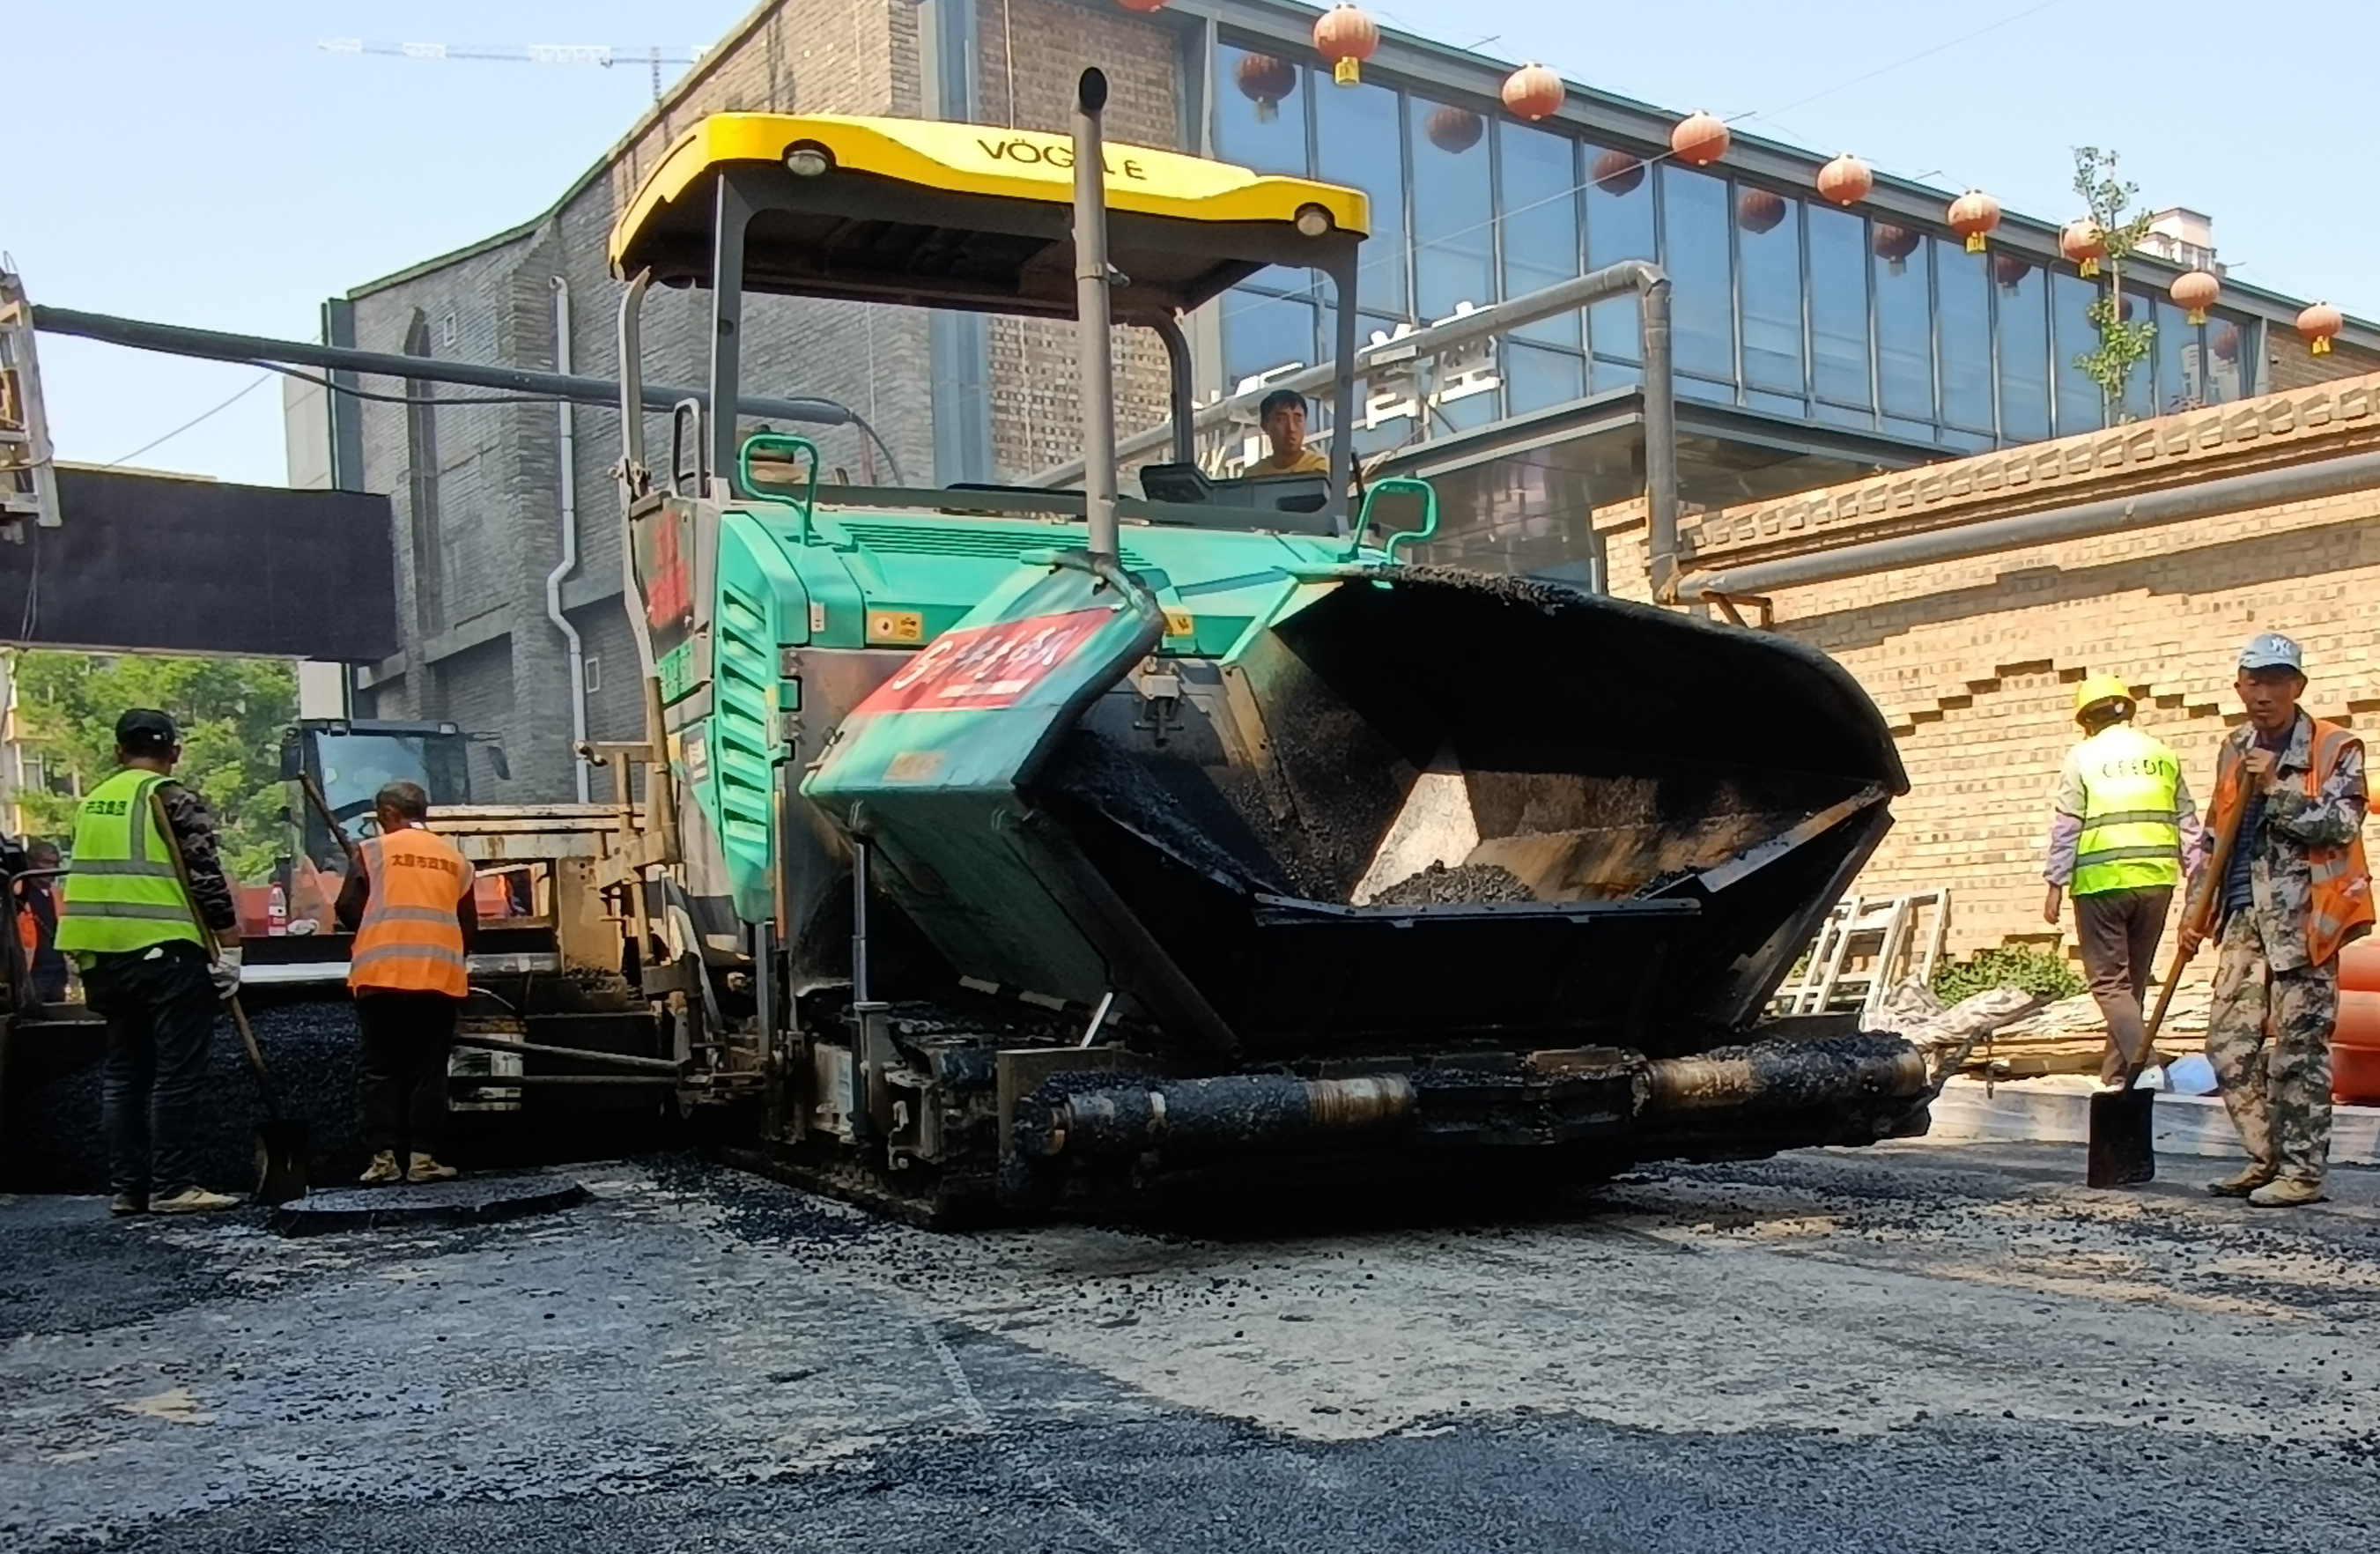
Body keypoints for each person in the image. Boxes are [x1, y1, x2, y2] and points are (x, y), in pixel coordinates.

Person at [2178, 633, 2373, 1207]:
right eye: (2255, 682)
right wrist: (2196, 909)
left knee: (2298, 1050)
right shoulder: (2233, 747)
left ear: (2298, 687)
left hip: (2307, 921)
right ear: (2240, 688)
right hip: (2242, 916)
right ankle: (2267, 1158)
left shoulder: (2335, 747)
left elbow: (2341, 825)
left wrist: (2276, 787)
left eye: (2277, 682)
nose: (2264, 694)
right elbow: (2214, 836)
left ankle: (2302, 1173)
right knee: (2228, 1045)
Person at [55, 709, 243, 1216]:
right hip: (165, 951)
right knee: (176, 1073)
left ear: (119, 750)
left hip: (100, 954)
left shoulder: (93, 802)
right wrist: (230, 948)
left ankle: (130, 1188)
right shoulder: (169, 797)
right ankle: (173, 1186)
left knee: (124, 1074)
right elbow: (205, 876)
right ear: (174, 752)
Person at [2041, 675, 2202, 1089]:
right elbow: (2189, 824)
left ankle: (2145, 1065)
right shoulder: (2162, 754)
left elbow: (2068, 825)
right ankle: (2117, 1075)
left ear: (2085, 720)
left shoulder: (2083, 756)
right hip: (2157, 882)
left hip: (2102, 883)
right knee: (2132, 984)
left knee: (2109, 983)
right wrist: (2198, 883)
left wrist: (2055, 883)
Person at [336, 780, 477, 1186]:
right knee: (428, 1069)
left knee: (380, 1067)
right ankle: (422, 1160)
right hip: (437, 979)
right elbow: (469, 927)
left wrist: (375, 929)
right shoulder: (456, 860)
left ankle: (383, 1160)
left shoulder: (373, 851)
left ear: (388, 814)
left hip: (381, 976)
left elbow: (347, 907)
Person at [18, 840, 70, 1002]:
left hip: (57, 969)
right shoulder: (17, 895)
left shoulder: (58, 895)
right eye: (46, 862)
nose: (52, 868)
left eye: (55, 863)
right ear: (30, 863)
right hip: (30, 971)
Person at [1252, 388, 1328, 476]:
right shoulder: (1252, 475)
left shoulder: (1320, 468)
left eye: (1298, 420)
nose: (1291, 428)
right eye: (1282, 420)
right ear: (1265, 426)